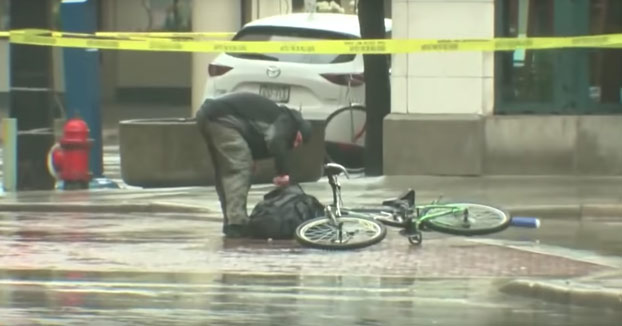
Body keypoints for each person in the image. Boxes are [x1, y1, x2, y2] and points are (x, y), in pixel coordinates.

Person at [195, 92, 313, 238]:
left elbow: (253, 129)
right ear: (298, 130)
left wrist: (253, 159)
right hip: (223, 119)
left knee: (225, 172)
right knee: (239, 170)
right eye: (298, 140)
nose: (295, 145)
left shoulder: (273, 115)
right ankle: (237, 224)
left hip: (210, 115)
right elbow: (275, 140)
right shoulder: (285, 121)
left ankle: (230, 220)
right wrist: (283, 173)